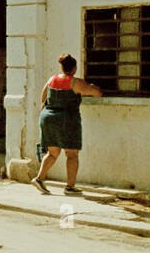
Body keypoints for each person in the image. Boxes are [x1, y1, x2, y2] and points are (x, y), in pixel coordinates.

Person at [32, 54, 101, 195]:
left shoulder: (52, 79)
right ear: (74, 68)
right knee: (71, 154)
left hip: (48, 118)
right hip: (67, 120)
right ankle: (70, 187)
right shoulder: (75, 82)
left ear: (62, 67)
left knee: (52, 153)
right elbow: (97, 93)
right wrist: (93, 86)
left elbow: (43, 96)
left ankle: (39, 179)